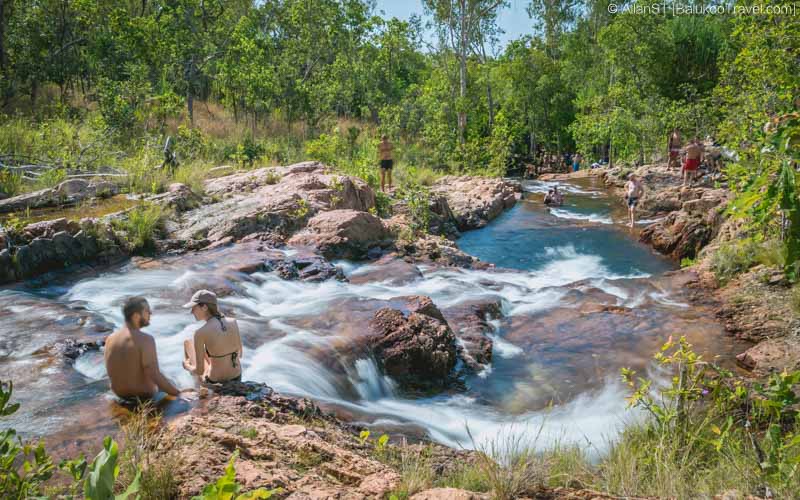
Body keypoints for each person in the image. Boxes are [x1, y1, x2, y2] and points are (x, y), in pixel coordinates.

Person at [105, 296, 182, 400]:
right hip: (143, 396)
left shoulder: (110, 339)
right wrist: (178, 394)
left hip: (119, 395)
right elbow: (153, 373)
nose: (151, 313)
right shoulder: (146, 340)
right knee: (172, 380)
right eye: (147, 311)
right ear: (136, 316)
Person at [182, 290, 243, 384]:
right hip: (236, 377)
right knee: (211, 352)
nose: (191, 312)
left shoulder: (200, 333)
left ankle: (197, 388)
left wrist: (187, 366)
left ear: (204, 307)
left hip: (215, 381)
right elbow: (240, 354)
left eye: (193, 308)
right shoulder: (233, 322)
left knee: (187, 343)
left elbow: (199, 371)